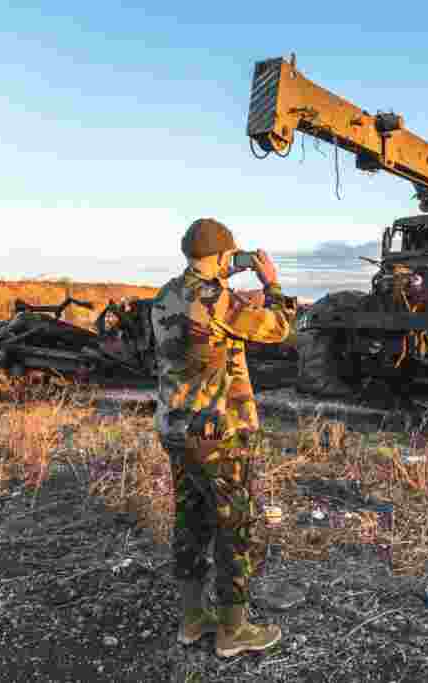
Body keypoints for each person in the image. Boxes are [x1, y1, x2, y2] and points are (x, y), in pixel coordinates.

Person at [152, 218, 295, 657]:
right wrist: (271, 284)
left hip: (176, 429)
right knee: (235, 528)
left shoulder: (165, 296)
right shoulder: (219, 300)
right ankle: (233, 632)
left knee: (190, 521)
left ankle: (193, 621)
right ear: (222, 256)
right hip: (217, 436)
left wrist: (227, 284)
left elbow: (203, 322)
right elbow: (280, 327)